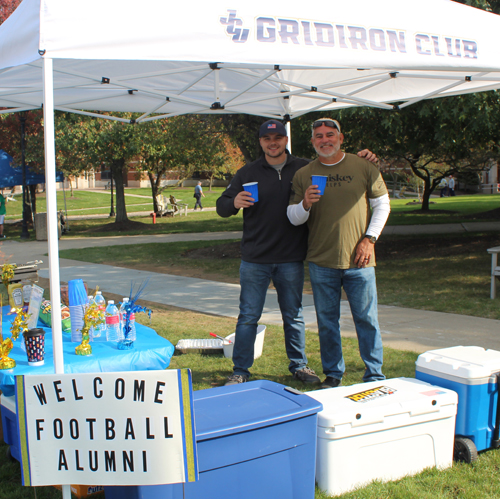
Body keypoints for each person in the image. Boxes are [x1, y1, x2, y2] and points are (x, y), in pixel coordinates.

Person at [216, 119, 377, 386]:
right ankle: (241, 370)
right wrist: (233, 202)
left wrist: (367, 156)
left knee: (293, 315)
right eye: (267, 139)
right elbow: (222, 206)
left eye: (278, 137)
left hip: (291, 256)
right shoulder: (247, 172)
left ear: (285, 140)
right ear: (261, 143)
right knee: (248, 316)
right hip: (255, 258)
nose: (273, 142)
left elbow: (335, 160)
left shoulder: (304, 168)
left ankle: (300, 366)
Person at [287, 118, 391, 389]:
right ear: (312, 142)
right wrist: (305, 204)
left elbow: (382, 204)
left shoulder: (364, 165)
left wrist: (370, 239)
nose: (325, 140)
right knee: (327, 322)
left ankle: (374, 375)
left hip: (361, 261)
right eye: (319, 136)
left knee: (367, 320)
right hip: (322, 261)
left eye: (330, 135)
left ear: (341, 138)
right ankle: (333, 374)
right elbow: (293, 218)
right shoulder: (304, 174)